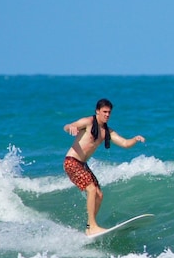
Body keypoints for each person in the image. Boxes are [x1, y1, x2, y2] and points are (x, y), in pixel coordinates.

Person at [62, 99, 146, 235]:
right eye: (104, 112)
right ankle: (92, 226)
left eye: (109, 112)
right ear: (97, 111)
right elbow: (68, 125)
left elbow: (124, 143)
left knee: (99, 195)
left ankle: (90, 227)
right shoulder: (88, 122)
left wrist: (134, 139)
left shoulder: (107, 131)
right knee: (91, 190)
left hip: (82, 164)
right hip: (71, 161)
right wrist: (70, 127)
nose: (107, 115)